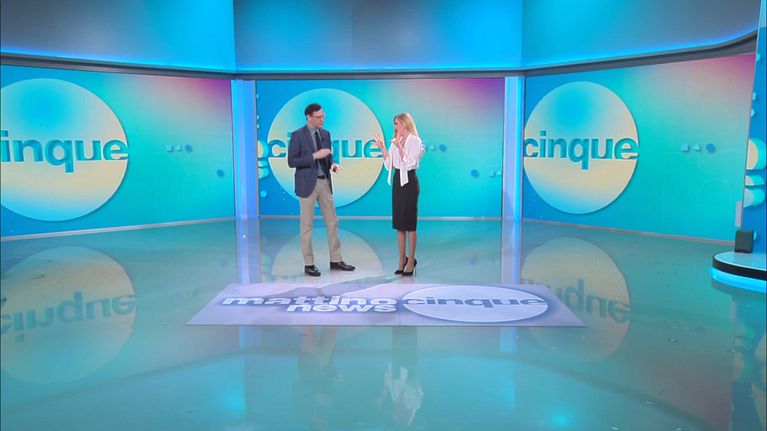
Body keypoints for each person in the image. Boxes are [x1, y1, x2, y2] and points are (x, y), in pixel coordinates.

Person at [288, 103, 355, 277]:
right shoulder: (297, 135)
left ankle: (336, 260)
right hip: (307, 185)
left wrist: (332, 164)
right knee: (307, 225)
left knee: (332, 222)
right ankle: (309, 264)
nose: (322, 119)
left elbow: (328, 156)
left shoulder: (325, 134)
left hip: (324, 182)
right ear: (309, 117)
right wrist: (313, 156)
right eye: (318, 117)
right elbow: (292, 161)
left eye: (323, 116)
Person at [374, 113, 425, 276]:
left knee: (409, 224)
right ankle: (402, 259)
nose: (395, 126)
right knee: (399, 224)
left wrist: (400, 147)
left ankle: (411, 261)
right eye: (395, 123)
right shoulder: (396, 139)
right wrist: (383, 148)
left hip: (409, 182)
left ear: (405, 124)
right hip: (397, 182)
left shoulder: (415, 141)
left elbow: (410, 164)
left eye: (397, 123)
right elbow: (390, 164)